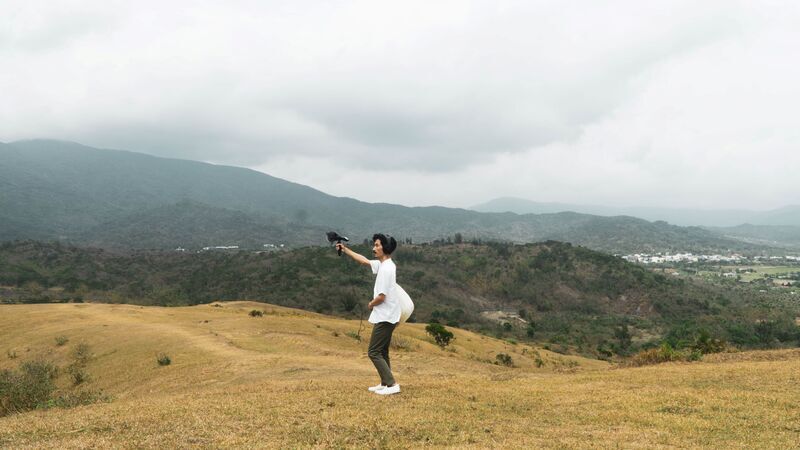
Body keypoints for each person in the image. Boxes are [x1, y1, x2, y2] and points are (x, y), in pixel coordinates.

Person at [336, 233, 401, 395]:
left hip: (386, 316)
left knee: (373, 351)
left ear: (385, 248)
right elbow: (364, 261)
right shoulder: (384, 264)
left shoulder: (386, 269)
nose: (374, 248)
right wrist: (345, 250)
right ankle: (386, 382)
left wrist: (371, 304)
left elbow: (381, 296)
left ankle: (392, 385)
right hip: (388, 314)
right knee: (382, 351)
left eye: (377, 245)